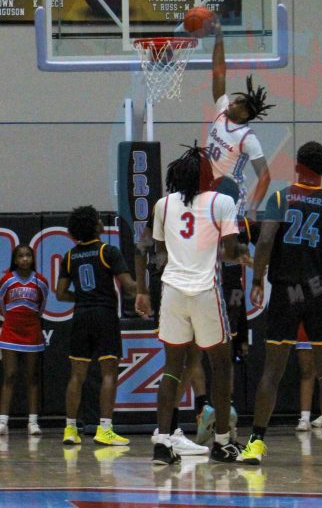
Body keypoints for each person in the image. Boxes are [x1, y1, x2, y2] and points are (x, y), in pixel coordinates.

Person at [238, 141, 322, 466]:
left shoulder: (279, 197)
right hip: (319, 294)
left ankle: (256, 441)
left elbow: (265, 242)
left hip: (285, 292)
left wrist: (258, 280)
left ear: (298, 167)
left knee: (272, 371)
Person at [139, 144, 244, 465]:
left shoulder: (162, 205)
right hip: (204, 291)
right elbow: (229, 253)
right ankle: (223, 442)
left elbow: (156, 252)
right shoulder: (222, 202)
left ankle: (163, 441)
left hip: (171, 290)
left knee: (172, 368)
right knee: (221, 366)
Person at [56, 205, 137, 446]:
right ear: (95, 226)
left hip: (80, 316)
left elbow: (60, 293)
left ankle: (70, 429)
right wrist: (142, 290)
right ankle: (105, 429)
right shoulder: (108, 251)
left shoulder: (69, 256)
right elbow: (128, 285)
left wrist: (81, 298)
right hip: (104, 315)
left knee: (77, 376)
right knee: (109, 374)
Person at [207, 16, 274, 219]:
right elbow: (219, 72)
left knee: (229, 249)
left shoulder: (247, 137)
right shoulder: (222, 109)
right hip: (210, 192)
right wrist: (219, 36)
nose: (231, 102)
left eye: (236, 103)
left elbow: (265, 176)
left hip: (231, 196)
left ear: (244, 114)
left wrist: (253, 209)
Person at [0, 244, 49, 435]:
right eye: (21, 256)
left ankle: (33, 422)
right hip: (11, 330)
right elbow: (2, 305)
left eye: (28, 255)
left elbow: (42, 305)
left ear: (33, 258)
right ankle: (3, 421)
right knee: (9, 375)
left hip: (32, 331)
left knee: (32, 377)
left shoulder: (40, 281)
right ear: (15, 259)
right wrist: (10, 319)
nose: (25, 259)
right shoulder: (6, 280)